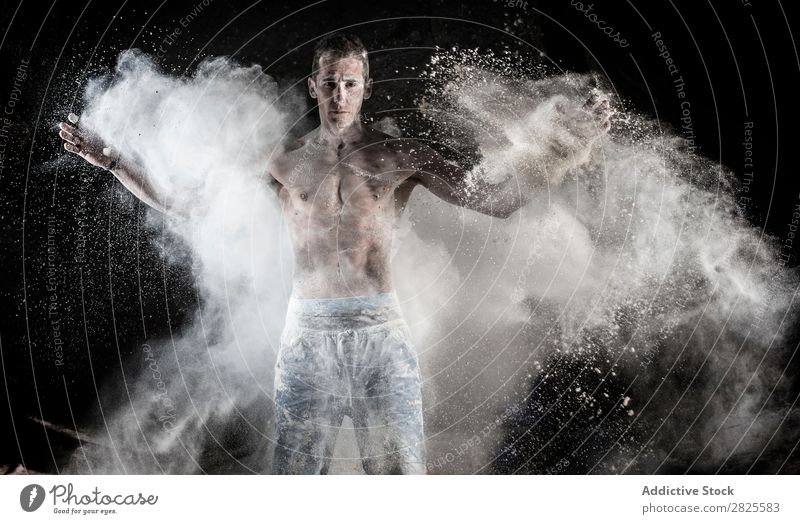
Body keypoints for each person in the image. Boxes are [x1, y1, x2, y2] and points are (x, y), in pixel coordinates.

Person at [58, 33, 611, 474]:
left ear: (365, 86)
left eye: (350, 83)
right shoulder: (283, 163)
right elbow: (189, 206)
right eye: (330, 84)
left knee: (396, 475)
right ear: (314, 87)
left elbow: (494, 201)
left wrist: (562, 148)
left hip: (380, 332)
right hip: (309, 335)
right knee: (302, 479)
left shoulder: (399, 155)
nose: (340, 95)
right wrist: (113, 164)